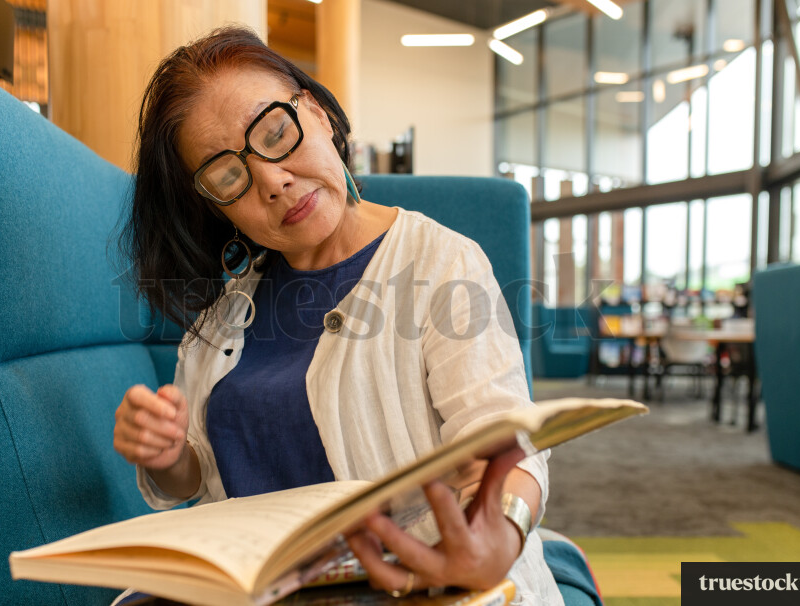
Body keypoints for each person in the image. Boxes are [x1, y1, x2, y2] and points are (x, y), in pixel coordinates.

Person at [113, 25, 561, 605]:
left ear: (320, 114)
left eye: (276, 132)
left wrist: (498, 533)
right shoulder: (227, 312)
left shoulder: (439, 262)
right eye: (229, 175)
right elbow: (195, 474)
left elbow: (503, 440)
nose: (272, 180)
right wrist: (169, 456)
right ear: (214, 204)